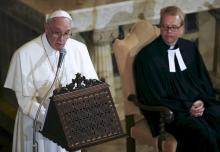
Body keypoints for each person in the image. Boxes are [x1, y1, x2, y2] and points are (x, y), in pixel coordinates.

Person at [4, 10, 98, 152]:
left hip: (69, 122)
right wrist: (52, 119)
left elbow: (90, 87)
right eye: (56, 33)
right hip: (37, 123)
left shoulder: (79, 49)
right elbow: (25, 101)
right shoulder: (24, 54)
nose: (62, 39)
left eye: (66, 33)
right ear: (46, 29)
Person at [133, 5, 220, 152]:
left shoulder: (189, 48)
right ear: (160, 27)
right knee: (204, 134)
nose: (169, 32)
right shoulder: (147, 57)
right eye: (165, 27)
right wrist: (187, 107)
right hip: (171, 113)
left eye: (174, 27)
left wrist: (201, 102)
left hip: (198, 106)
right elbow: (153, 96)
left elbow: (203, 81)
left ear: (182, 28)